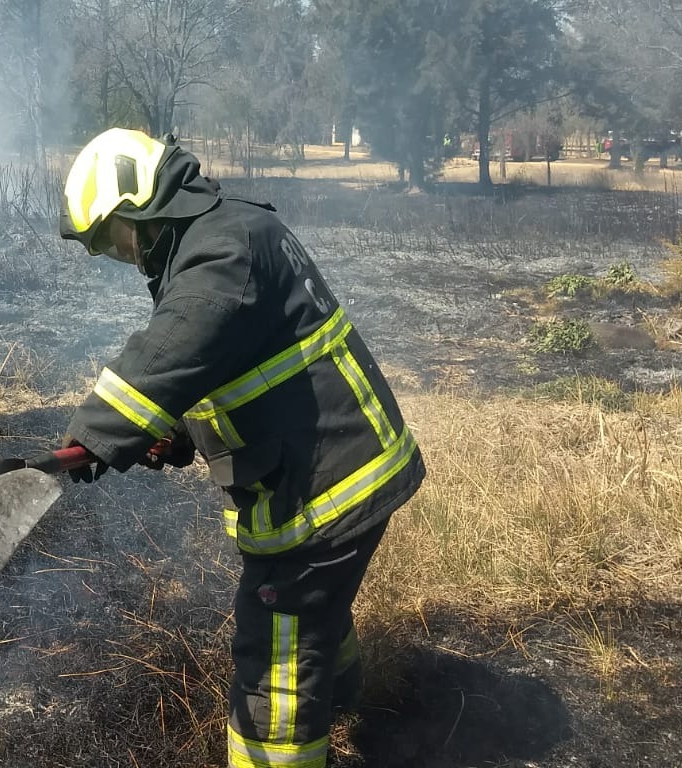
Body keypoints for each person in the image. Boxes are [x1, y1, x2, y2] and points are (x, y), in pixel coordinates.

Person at [58, 129, 425, 768]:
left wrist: (94, 433)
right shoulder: (227, 236)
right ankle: (343, 701)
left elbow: (172, 349)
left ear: (142, 206)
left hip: (326, 490)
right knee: (316, 611)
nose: (121, 255)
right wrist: (172, 432)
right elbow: (228, 362)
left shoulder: (222, 250)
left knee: (275, 657)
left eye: (112, 237)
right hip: (342, 465)